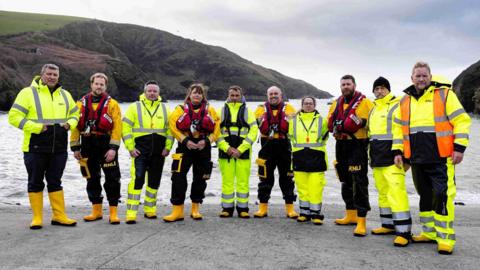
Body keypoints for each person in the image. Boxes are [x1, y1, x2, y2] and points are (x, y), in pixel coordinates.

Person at [398, 62, 471, 254]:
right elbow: (399, 130)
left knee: (442, 196)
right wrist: (399, 152)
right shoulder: (405, 101)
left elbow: (462, 120)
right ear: (411, 78)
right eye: (417, 76)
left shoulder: (444, 95)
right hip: (416, 159)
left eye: (424, 76)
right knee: (425, 196)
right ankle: (429, 233)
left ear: (430, 77)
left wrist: (459, 147)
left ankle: (445, 238)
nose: (421, 79)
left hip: (441, 157)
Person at [8, 63, 79, 229]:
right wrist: (36, 127)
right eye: (49, 74)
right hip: (35, 147)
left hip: (59, 148)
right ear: (42, 74)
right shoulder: (27, 93)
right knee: (35, 182)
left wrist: (70, 124)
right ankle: (37, 218)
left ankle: (59, 216)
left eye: (55, 74)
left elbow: (76, 114)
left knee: (55, 181)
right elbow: (13, 116)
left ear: (58, 76)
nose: (52, 77)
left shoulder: (65, 94)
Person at [163, 83, 220, 222]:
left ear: (203, 96)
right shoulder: (180, 109)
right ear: (189, 94)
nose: (197, 95)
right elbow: (173, 127)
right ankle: (177, 211)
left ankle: (195, 209)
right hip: (184, 147)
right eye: (194, 92)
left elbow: (217, 128)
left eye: (200, 93)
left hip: (203, 147)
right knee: (178, 177)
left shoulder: (210, 110)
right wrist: (184, 140)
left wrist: (207, 141)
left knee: (201, 178)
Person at [70, 72, 122, 225]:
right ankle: (96, 211)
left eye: (102, 84)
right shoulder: (79, 104)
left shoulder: (113, 104)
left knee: (112, 179)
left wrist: (113, 149)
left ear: (105, 86)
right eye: (96, 83)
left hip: (105, 145)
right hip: (87, 144)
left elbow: (117, 128)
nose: (99, 87)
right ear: (91, 84)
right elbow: (74, 128)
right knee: (91, 178)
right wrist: (75, 148)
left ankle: (113, 212)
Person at [327, 75, 373, 237]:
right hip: (341, 144)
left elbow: (373, 123)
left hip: (357, 145)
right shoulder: (336, 103)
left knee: (359, 181)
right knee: (345, 179)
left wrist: (361, 122)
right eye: (343, 84)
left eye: (348, 84)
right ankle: (350, 214)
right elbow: (329, 122)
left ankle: (361, 221)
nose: (345, 86)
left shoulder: (366, 102)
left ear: (354, 85)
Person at [368, 77, 412, 246]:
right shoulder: (374, 108)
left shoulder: (396, 105)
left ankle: (403, 232)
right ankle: (388, 224)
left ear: (388, 89)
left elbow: (398, 131)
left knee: (396, 192)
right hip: (377, 156)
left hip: (393, 156)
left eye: (382, 88)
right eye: (376, 88)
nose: (379, 91)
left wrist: (399, 152)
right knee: (383, 192)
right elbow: (372, 135)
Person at [122, 80, 173, 224]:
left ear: (159, 93)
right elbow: (125, 129)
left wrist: (168, 147)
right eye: (149, 91)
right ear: (144, 92)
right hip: (139, 150)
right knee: (137, 180)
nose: (152, 93)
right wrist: (130, 148)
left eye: (154, 91)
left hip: (158, 151)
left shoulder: (165, 109)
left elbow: (170, 131)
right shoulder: (134, 107)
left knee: (154, 181)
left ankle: (150, 210)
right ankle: (131, 213)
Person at [254, 86, 298, 219]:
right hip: (267, 145)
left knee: (287, 178)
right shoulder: (260, 109)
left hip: (284, 146)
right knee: (264, 178)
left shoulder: (289, 108)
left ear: (281, 95)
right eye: (271, 94)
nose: (273, 96)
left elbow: (292, 126)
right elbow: (262, 127)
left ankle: (290, 208)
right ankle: (262, 207)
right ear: (267, 96)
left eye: (276, 94)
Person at [217, 86, 258, 218]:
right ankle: (227, 209)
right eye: (232, 95)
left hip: (243, 151)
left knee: (242, 180)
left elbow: (254, 131)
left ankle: (243, 208)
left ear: (241, 96)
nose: (234, 97)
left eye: (237, 95)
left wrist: (241, 149)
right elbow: (215, 132)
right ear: (228, 96)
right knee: (227, 180)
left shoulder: (248, 112)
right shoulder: (221, 111)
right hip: (226, 151)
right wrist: (226, 147)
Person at [288, 96, 329, 225]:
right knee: (302, 187)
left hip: (317, 157)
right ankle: (304, 213)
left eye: (311, 103)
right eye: (306, 103)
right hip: (299, 157)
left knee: (316, 187)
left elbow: (326, 136)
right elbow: (291, 137)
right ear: (302, 105)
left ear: (314, 105)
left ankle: (316, 214)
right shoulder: (293, 121)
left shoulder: (323, 121)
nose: (308, 105)